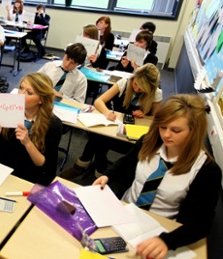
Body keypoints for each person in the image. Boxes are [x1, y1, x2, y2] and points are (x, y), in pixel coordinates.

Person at [93, 94, 222, 259]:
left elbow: (201, 223)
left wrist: (167, 241)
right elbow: (126, 162)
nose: (166, 135)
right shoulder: (148, 141)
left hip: (161, 227)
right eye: (162, 127)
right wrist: (108, 176)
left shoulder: (207, 170)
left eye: (176, 130)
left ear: (193, 131)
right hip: (124, 212)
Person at [61, 63, 162, 179]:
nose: (137, 89)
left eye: (142, 89)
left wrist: (144, 116)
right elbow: (99, 101)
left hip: (131, 135)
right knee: (98, 136)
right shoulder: (125, 82)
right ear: (134, 77)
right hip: (114, 125)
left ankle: (84, 165)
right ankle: (100, 168)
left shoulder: (156, 93)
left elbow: (156, 118)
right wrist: (107, 112)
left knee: (99, 139)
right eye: (136, 84)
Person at [0, 73, 63, 185]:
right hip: (4, 172)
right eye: (21, 88)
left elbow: (45, 165)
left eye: (29, 93)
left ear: (41, 100)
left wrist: (28, 143)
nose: (20, 95)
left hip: (30, 177)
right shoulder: (8, 111)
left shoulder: (53, 124)